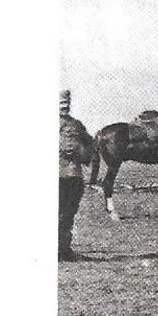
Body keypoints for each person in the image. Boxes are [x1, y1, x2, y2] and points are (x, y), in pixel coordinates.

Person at [59, 90, 95, 261]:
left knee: (67, 213)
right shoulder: (74, 125)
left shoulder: (76, 125)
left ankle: (63, 249)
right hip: (66, 175)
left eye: (66, 104)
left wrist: (82, 153)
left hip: (72, 175)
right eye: (61, 103)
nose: (64, 107)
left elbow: (90, 144)